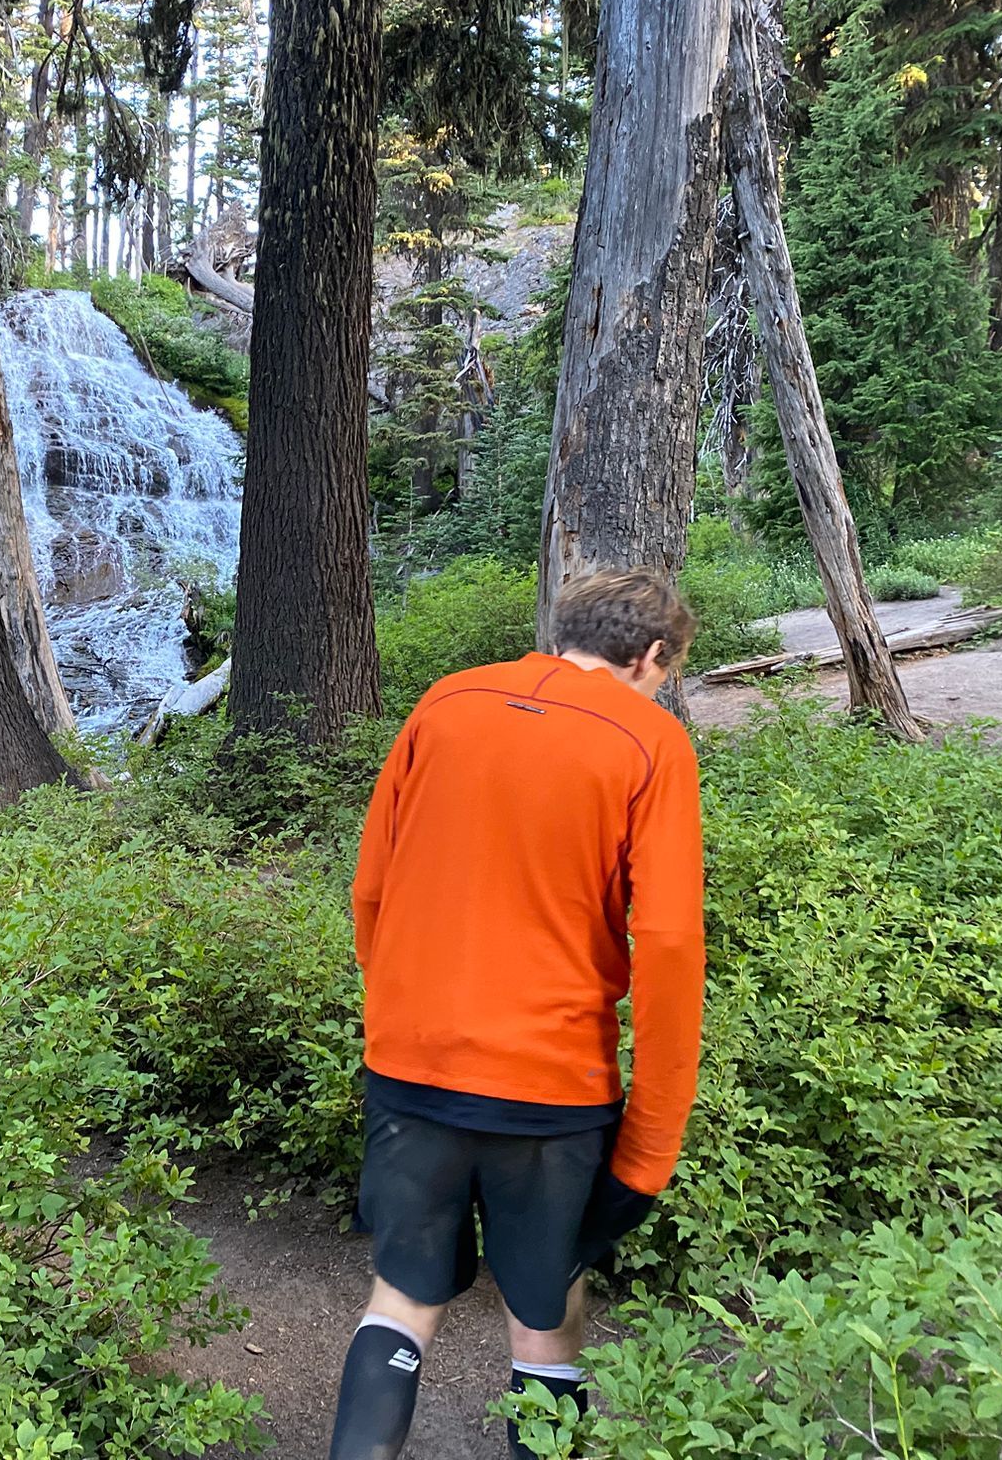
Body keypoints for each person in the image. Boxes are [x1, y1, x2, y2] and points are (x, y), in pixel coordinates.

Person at [329, 570, 707, 1460]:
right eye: (666, 671)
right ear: (652, 657)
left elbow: (372, 888)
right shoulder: (652, 742)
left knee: (402, 1297)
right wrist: (650, 1148)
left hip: (410, 1065)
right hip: (551, 1087)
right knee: (545, 1316)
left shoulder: (445, 702)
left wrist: (403, 1017)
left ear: (561, 629)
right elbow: (667, 950)